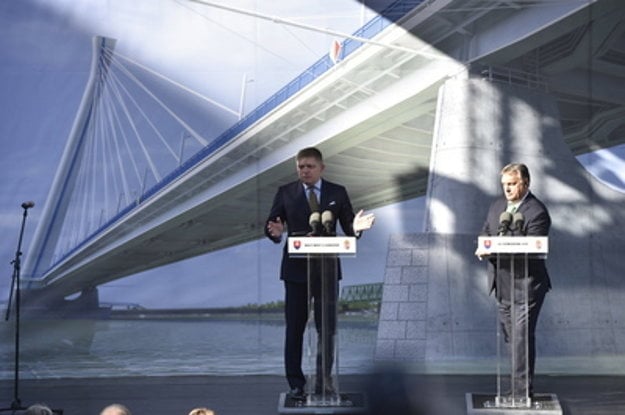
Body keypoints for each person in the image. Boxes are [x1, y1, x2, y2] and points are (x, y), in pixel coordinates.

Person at [265, 147, 374, 400]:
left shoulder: (338, 192)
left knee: (328, 330)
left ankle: (324, 380)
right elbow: (273, 224)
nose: (305, 171)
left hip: (327, 271)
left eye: (310, 166)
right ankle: (296, 384)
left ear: (321, 168)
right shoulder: (286, 193)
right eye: (301, 167)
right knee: (295, 329)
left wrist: (356, 228)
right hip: (296, 272)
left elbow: (349, 226)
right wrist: (276, 232)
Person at [475, 163, 551, 400]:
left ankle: (521, 393)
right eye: (504, 185)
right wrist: (483, 246)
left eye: (512, 184)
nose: (507, 189)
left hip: (526, 285)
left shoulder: (537, 211)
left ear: (525, 183)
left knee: (521, 339)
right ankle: (514, 390)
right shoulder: (498, 205)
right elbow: (487, 230)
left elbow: (531, 249)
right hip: (502, 284)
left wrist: (493, 249)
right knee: (511, 339)